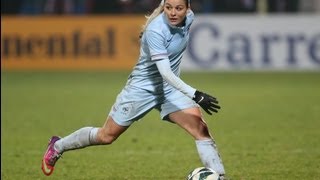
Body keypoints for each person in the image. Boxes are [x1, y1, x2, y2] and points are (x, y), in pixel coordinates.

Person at [41, 0, 226, 178]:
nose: (173, 13)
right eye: (168, 7)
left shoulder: (189, 18)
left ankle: (220, 177)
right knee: (107, 135)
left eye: (178, 8)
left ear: (188, 9)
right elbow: (165, 73)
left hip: (170, 90)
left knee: (200, 130)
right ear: (164, 6)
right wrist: (196, 95)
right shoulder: (156, 30)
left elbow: (168, 78)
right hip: (142, 89)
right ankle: (58, 146)